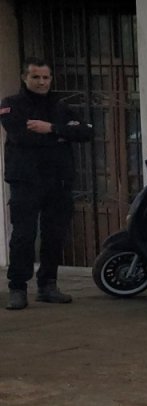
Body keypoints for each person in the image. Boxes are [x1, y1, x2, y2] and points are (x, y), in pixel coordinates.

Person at [2, 58, 93, 311]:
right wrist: (62, 135)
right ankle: (18, 288)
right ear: (24, 77)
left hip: (59, 180)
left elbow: (86, 132)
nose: (42, 82)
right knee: (24, 236)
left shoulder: (60, 106)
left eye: (46, 77)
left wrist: (51, 128)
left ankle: (48, 285)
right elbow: (21, 136)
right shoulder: (11, 105)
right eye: (36, 77)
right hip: (26, 180)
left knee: (54, 234)